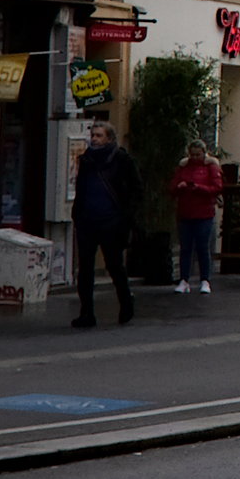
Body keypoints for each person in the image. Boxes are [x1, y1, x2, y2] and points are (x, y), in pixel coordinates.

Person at [70, 120, 142, 329]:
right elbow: (81, 188)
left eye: (99, 135)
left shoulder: (121, 159)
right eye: (93, 135)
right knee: (85, 268)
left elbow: (136, 189)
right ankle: (86, 313)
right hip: (87, 220)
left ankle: (126, 302)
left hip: (112, 220)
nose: (94, 139)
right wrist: (78, 214)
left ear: (109, 138)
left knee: (114, 265)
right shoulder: (87, 160)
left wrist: (126, 216)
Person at [171, 142, 224, 295]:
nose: (195, 158)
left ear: (204, 153)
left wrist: (199, 188)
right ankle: (184, 280)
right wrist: (178, 187)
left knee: (203, 247)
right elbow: (172, 187)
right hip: (185, 212)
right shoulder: (183, 167)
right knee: (185, 248)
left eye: (198, 155)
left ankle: (205, 280)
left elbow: (217, 187)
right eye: (192, 154)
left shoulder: (211, 167)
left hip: (204, 213)